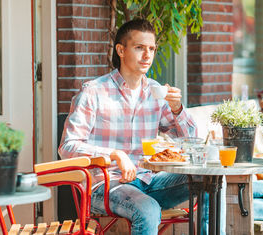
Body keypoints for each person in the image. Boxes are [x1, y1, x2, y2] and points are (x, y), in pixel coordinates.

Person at [59, 19, 220, 234]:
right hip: (106, 186)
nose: (147, 55)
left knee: (209, 179)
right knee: (147, 208)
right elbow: (67, 147)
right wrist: (115, 154)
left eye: (151, 49)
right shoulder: (93, 92)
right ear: (121, 50)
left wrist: (177, 109)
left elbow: (190, 140)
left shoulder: (155, 91)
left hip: (148, 180)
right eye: (139, 48)